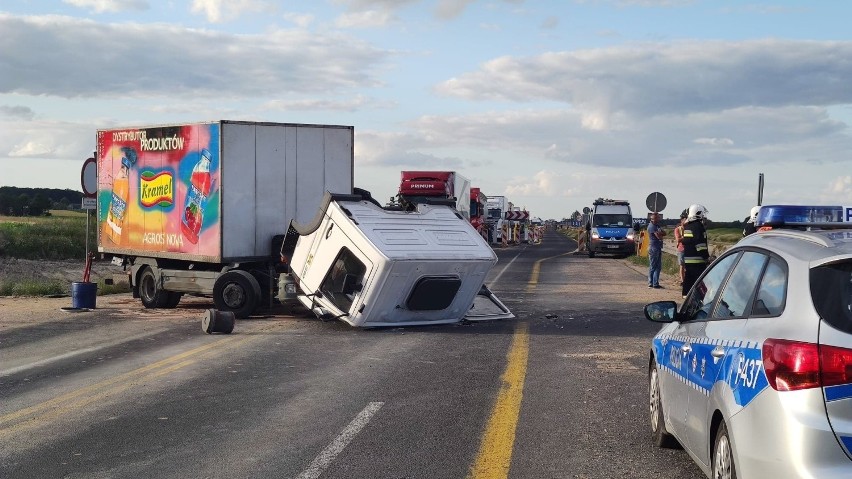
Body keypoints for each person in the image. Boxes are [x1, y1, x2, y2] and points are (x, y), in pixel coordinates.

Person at [681, 204, 710, 298]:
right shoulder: (698, 226)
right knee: (699, 282)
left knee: (688, 278)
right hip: (698, 260)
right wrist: (706, 257)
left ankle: (685, 296)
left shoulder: (688, 226)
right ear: (698, 213)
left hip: (688, 259)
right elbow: (700, 245)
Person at [646, 213, 666, 289]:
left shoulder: (657, 226)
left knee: (658, 266)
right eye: (657, 218)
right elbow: (659, 237)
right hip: (653, 248)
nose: (658, 219)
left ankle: (655, 283)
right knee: (653, 266)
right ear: (652, 219)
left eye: (658, 218)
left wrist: (661, 234)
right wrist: (660, 234)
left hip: (658, 247)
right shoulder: (651, 226)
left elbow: (664, 233)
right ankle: (651, 282)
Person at [673, 210, 687, 285]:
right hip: (681, 249)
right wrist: (686, 237)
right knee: (682, 265)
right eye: (684, 220)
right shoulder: (678, 229)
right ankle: (682, 280)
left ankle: (686, 279)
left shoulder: (689, 228)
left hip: (688, 249)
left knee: (687, 266)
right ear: (682, 220)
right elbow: (678, 239)